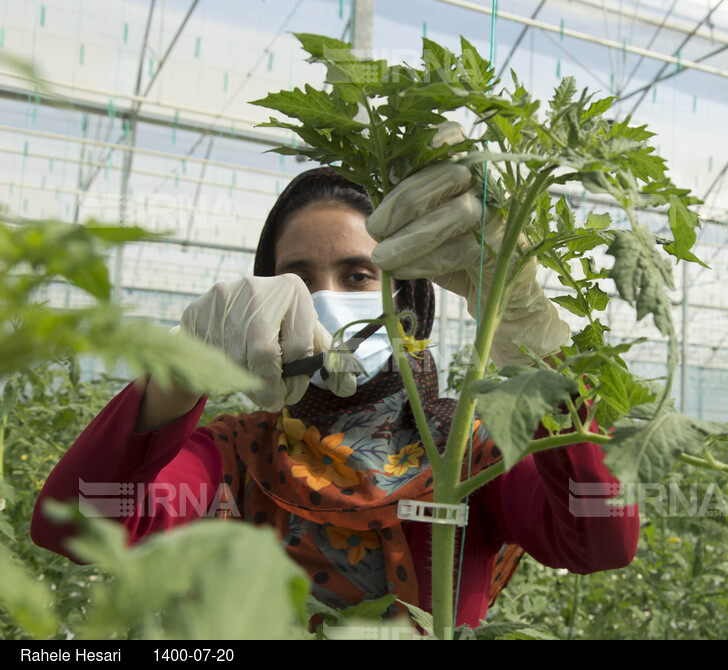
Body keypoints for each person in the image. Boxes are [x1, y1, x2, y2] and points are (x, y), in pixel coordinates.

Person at [32, 158, 640, 629]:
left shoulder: (471, 451)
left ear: (408, 297)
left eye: (357, 276)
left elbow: (601, 535)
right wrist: (176, 373)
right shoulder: (235, 457)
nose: (326, 300)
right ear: (263, 302)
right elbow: (77, 522)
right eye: (296, 279)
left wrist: (530, 337)